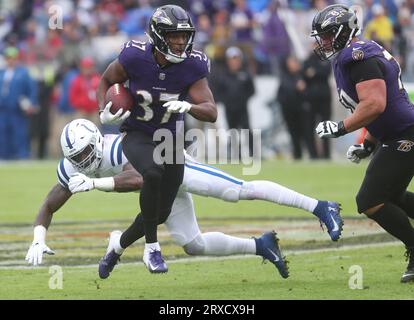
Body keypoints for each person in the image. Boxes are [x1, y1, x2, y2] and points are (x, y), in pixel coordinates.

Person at [25, 119, 344, 280]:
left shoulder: (114, 147)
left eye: (84, 153)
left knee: (238, 191)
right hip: (161, 193)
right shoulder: (72, 166)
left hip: (176, 167)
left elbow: (135, 177)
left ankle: (319, 206)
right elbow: (50, 203)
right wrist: (39, 237)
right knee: (194, 244)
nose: (81, 161)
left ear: (96, 141)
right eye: (75, 157)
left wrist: (96, 183)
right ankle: (261, 245)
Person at [96, 5, 218, 274]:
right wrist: (103, 111)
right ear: (158, 35)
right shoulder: (134, 57)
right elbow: (105, 80)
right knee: (152, 172)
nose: (180, 41)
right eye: (174, 35)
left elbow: (211, 112)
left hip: (170, 139)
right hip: (137, 133)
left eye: (184, 36)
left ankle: (117, 245)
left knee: (161, 212)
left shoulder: (193, 64)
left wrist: (190, 108)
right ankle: (152, 248)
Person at [311, 4, 414, 283]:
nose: (324, 41)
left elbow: (375, 104)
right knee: (391, 197)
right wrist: (368, 142)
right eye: (322, 36)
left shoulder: (358, 57)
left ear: (346, 31)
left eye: (330, 34)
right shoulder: (351, 55)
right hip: (397, 132)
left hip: (405, 133)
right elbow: (386, 105)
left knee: (369, 201)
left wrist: (341, 128)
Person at [0, 46, 38, 159]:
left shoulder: (23, 73)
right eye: (8, 58)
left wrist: (31, 103)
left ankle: (22, 155)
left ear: (17, 59)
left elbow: (32, 90)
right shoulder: (2, 73)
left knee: (19, 134)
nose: (10, 60)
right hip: (3, 109)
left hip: (17, 110)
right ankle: (4, 156)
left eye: (13, 58)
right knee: (3, 133)